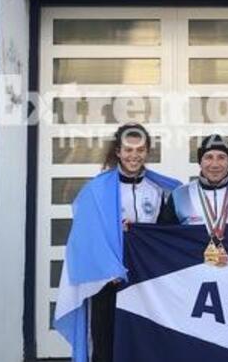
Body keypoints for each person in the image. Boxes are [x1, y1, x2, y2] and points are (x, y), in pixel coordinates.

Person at [54, 123, 181, 362]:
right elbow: (85, 237)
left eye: (140, 150)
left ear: (147, 152)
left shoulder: (159, 190)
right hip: (108, 282)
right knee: (106, 343)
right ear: (118, 152)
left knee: (145, 339)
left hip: (147, 281)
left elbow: (167, 233)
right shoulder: (96, 190)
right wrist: (107, 267)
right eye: (129, 150)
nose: (134, 156)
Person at [172, 134, 228, 265]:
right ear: (200, 161)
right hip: (190, 271)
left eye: (221, 158)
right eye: (209, 157)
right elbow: (165, 238)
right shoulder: (179, 196)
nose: (215, 164)